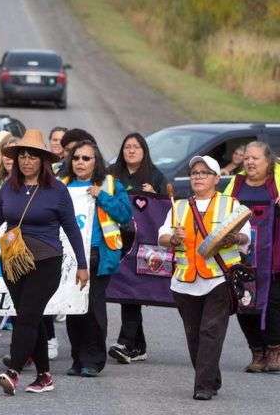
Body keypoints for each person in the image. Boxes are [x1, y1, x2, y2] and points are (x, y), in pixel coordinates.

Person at [0, 130, 89, 396]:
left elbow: (71, 228)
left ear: (42, 161)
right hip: (12, 261)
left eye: (32, 156)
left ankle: (13, 371)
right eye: (22, 156)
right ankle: (44, 376)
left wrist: (82, 264)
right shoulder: (9, 188)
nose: (26, 161)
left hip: (46, 262)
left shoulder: (57, 190)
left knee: (25, 316)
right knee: (30, 318)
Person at [159, 155, 250, 401]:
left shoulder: (231, 204)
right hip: (184, 281)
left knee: (211, 331)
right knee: (194, 334)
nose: (198, 176)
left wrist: (233, 238)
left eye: (204, 173)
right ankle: (211, 376)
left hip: (219, 279)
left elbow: (245, 237)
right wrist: (173, 238)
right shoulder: (178, 206)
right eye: (194, 173)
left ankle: (203, 386)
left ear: (216, 178)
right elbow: (162, 237)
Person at [61, 140, 132, 377]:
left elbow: (125, 215)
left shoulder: (111, 184)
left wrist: (101, 196)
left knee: (93, 309)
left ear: (96, 161)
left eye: (86, 158)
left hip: (97, 255)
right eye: (76, 158)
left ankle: (94, 360)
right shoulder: (62, 185)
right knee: (73, 309)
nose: (80, 162)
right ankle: (77, 358)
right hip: (68, 256)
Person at [107, 132, 169, 364]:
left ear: (144, 151)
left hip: (145, 242)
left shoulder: (155, 175)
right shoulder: (111, 174)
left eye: (136, 147)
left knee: (133, 290)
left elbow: (166, 208)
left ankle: (126, 342)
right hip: (116, 240)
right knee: (126, 289)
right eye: (127, 147)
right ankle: (136, 345)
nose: (131, 151)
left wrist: (154, 196)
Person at [222, 142, 280, 373]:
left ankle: (274, 351)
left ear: (268, 162)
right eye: (246, 158)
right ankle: (257, 351)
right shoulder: (235, 184)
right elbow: (222, 213)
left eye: (255, 158)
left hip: (273, 257)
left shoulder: (275, 185)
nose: (250, 162)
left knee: (273, 305)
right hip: (240, 258)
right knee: (245, 304)